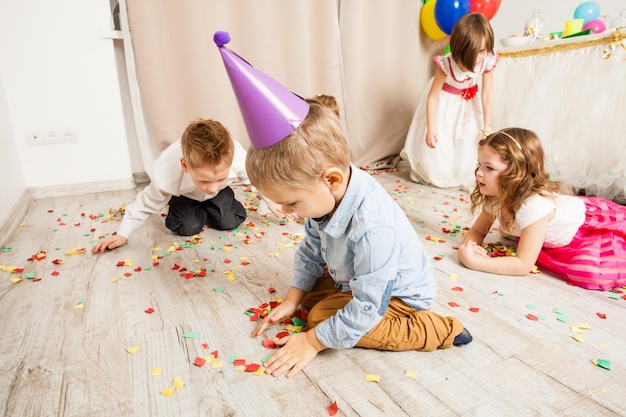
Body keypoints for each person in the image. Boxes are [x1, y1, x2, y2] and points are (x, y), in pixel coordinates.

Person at [247, 100, 472, 378]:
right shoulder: (328, 193)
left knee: (320, 320)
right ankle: (331, 303)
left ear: (332, 180)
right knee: (309, 296)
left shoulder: (372, 228)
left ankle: (437, 329)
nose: (284, 212)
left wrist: (312, 341)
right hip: (357, 274)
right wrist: (293, 300)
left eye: (291, 203)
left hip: (397, 295)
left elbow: (368, 304)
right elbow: (311, 251)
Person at [458, 127, 626, 291]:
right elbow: (479, 231)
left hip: (584, 229)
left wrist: (476, 262)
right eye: (479, 165)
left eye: (489, 168)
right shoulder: (496, 196)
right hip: (553, 215)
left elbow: (523, 264)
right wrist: (470, 247)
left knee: (591, 270)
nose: (479, 173)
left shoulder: (533, 207)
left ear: (516, 173)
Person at [92, 119, 284, 253]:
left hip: (220, 197)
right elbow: (146, 202)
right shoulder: (166, 173)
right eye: (204, 181)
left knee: (229, 221)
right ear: (185, 165)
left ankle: (216, 206)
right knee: (187, 227)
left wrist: (271, 200)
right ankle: (191, 209)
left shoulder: (237, 158)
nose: (212, 187)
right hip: (185, 196)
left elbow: (255, 178)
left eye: (220, 178)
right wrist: (123, 234)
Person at [401, 12, 498, 191]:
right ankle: (438, 170)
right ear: (461, 49)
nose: (478, 57)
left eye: (482, 51)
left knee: (469, 139)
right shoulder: (447, 64)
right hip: (444, 103)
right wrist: (430, 128)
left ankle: (459, 171)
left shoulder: (487, 60)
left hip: (467, 103)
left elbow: (487, 93)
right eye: (474, 52)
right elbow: (433, 96)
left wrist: (487, 124)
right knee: (441, 141)